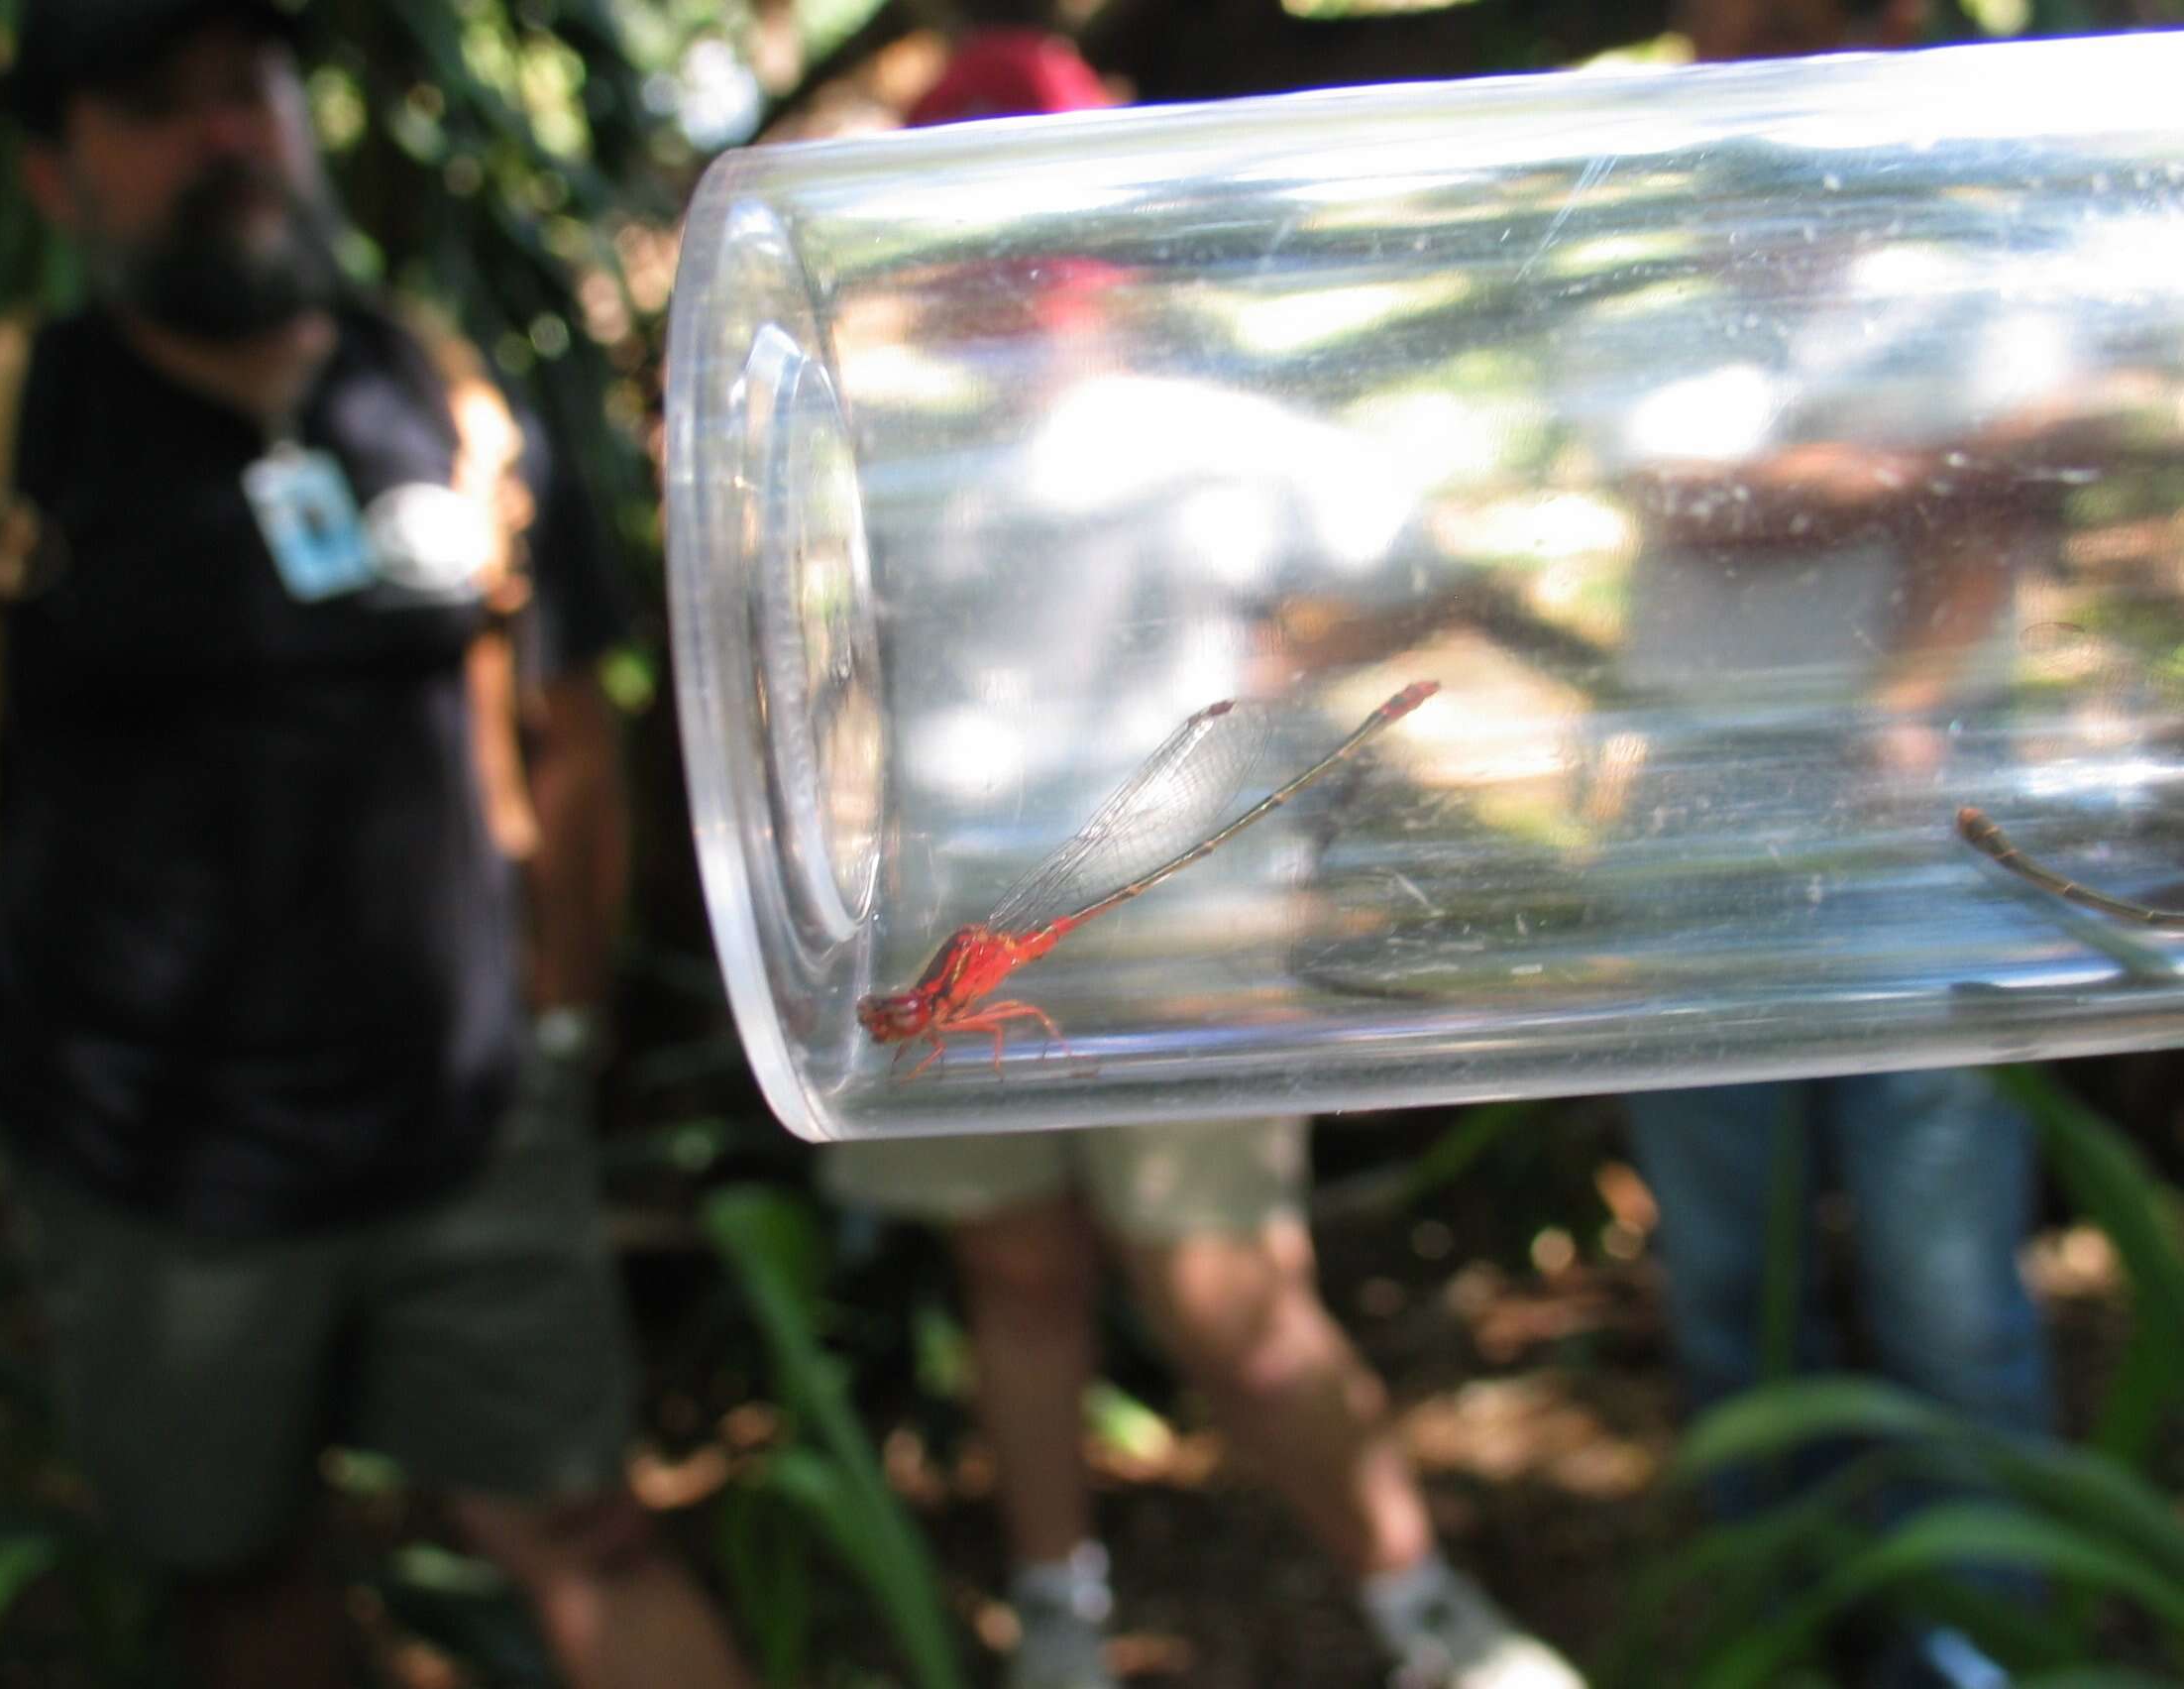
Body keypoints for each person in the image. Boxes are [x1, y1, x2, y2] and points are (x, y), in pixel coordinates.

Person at [0, 2, 754, 1685]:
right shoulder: (0, 428)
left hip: (468, 1118)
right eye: (156, 106)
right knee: (241, 1575)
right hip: (142, 1167)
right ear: (55, 171)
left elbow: (570, 735)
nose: (224, 134)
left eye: (248, 84)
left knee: (588, 1535)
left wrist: (563, 1025)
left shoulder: (448, 398)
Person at [819, 32, 1584, 1689]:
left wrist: (1288, 663)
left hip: (1175, 918)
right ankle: (1062, 1619)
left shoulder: (1211, 429)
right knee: (1015, 1269)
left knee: (1230, 1298)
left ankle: (1421, 1612)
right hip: (951, 924)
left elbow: (1412, 574)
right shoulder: (887, 446)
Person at [1605, 5, 2058, 1685]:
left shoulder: (1983, 292)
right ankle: (1788, 1627)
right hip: (1700, 824)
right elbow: (1699, 500)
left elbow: (2011, 491)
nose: (1753, 62)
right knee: (1734, 1276)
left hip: (1922, 831)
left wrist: (1912, 601)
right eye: (1733, 39)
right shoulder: (1646, 310)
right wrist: (1919, 473)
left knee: (1954, 1293)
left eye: (1796, 31)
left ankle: (1983, 1649)